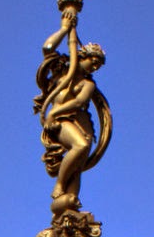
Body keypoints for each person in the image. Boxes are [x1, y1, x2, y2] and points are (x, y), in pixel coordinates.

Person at [38, 45, 105, 213]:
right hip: (61, 122)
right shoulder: (62, 75)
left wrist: (54, 112)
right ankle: (60, 184)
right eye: (94, 62)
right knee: (79, 146)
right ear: (83, 56)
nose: (95, 68)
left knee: (77, 168)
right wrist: (65, 27)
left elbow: (79, 102)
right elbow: (47, 48)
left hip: (83, 126)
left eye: (99, 66)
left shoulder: (88, 84)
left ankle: (70, 207)